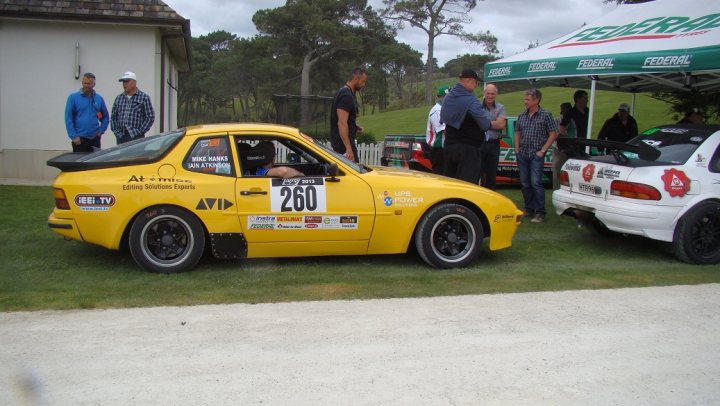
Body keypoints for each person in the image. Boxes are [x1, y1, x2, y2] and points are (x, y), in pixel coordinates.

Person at [439, 69, 492, 184]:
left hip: (449, 146)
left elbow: (443, 119)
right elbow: (485, 125)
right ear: (468, 81)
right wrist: (492, 123)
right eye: (476, 83)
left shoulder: (448, 98)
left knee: (450, 183)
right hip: (468, 149)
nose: (476, 85)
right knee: (467, 185)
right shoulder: (471, 100)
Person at [514, 88, 558, 224]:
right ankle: (529, 209)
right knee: (525, 183)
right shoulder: (522, 115)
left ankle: (540, 212)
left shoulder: (546, 115)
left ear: (536, 100)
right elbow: (517, 133)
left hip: (536, 155)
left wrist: (543, 150)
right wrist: (516, 150)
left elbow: (553, 133)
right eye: (524, 99)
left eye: (527, 99)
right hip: (523, 154)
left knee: (536, 183)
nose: (524, 102)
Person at [64, 72, 109, 152]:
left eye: (89, 83)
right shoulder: (73, 98)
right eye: (85, 83)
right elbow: (68, 118)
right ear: (82, 83)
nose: (87, 86)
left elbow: (105, 117)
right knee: (80, 164)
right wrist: (73, 136)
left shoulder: (99, 99)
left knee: (94, 163)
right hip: (79, 140)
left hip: (95, 139)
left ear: (94, 84)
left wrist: (101, 131)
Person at [331, 67, 367, 162]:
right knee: (355, 174)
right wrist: (348, 149)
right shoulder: (346, 96)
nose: (364, 84)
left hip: (340, 143)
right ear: (355, 78)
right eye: (363, 81)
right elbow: (341, 123)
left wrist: (354, 127)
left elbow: (342, 119)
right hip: (343, 145)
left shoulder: (341, 92)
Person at [111, 71, 155, 144]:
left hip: (136, 136)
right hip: (121, 136)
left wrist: (140, 131)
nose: (124, 84)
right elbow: (113, 117)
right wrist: (117, 132)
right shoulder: (119, 98)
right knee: (122, 155)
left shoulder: (144, 97)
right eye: (123, 82)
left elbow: (150, 116)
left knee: (136, 155)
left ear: (134, 82)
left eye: (127, 81)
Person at [479, 83, 507, 190]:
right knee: (478, 172)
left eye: (492, 94)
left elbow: (501, 125)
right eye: (488, 93)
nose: (490, 96)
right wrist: (494, 123)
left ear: (496, 94)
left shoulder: (501, 107)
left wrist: (484, 123)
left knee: (491, 173)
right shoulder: (477, 106)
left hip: (494, 144)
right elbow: (476, 124)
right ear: (484, 94)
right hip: (480, 143)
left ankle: (491, 198)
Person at [552, 102, 575, 190]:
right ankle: (557, 190)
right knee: (557, 170)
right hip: (559, 149)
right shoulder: (558, 120)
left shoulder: (572, 120)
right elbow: (556, 134)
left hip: (570, 149)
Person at [426, 85, 448, 174]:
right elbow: (444, 130)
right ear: (441, 97)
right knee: (441, 175)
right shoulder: (437, 110)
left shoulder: (444, 109)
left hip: (444, 148)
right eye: (447, 97)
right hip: (438, 149)